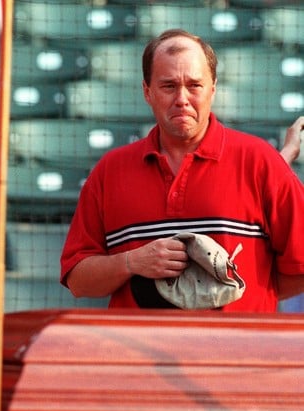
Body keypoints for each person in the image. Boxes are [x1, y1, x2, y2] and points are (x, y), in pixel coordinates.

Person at [60, 29, 304, 312]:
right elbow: (78, 280)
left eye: (194, 85)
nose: (182, 98)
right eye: (168, 86)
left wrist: (240, 290)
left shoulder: (260, 161)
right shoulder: (109, 171)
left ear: (212, 89)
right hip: (138, 352)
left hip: (235, 353)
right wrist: (132, 262)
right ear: (147, 91)